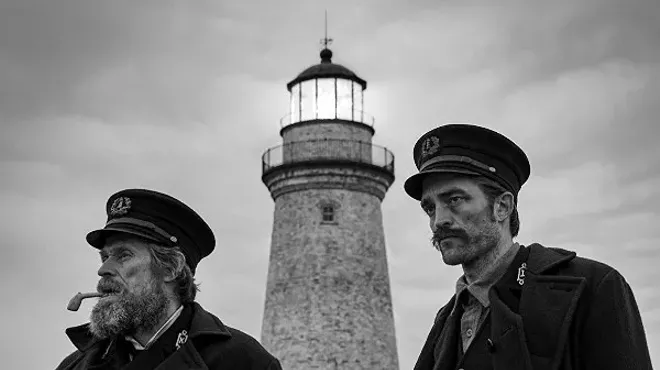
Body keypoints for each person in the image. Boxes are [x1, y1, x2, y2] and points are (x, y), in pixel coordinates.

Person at [404, 124, 653, 370]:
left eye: (454, 199)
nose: (439, 220)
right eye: (430, 208)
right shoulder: (446, 318)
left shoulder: (592, 286)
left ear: (502, 206)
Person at [56, 188, 282, 370]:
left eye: (123, 255)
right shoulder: (75, 365)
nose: (103, 269)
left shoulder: (244, 362)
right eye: (104, 257)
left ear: (171, 268)